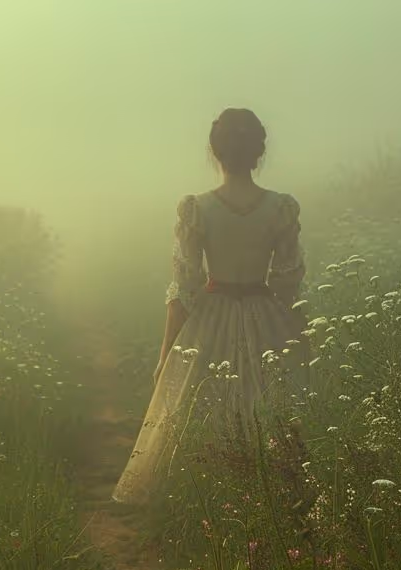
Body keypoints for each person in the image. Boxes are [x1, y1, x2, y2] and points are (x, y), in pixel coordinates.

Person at [112, 108, 307, 504]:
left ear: (215, 153)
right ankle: (268, 500)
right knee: (268, 411)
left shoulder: (197, 209)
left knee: (205, 410)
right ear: (257, 153)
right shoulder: (280, 208)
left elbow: (184, 288)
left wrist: (166, 353)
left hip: (210, 319)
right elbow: (288, 285)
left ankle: (211, 503)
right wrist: (303, 341)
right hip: (267, 316)